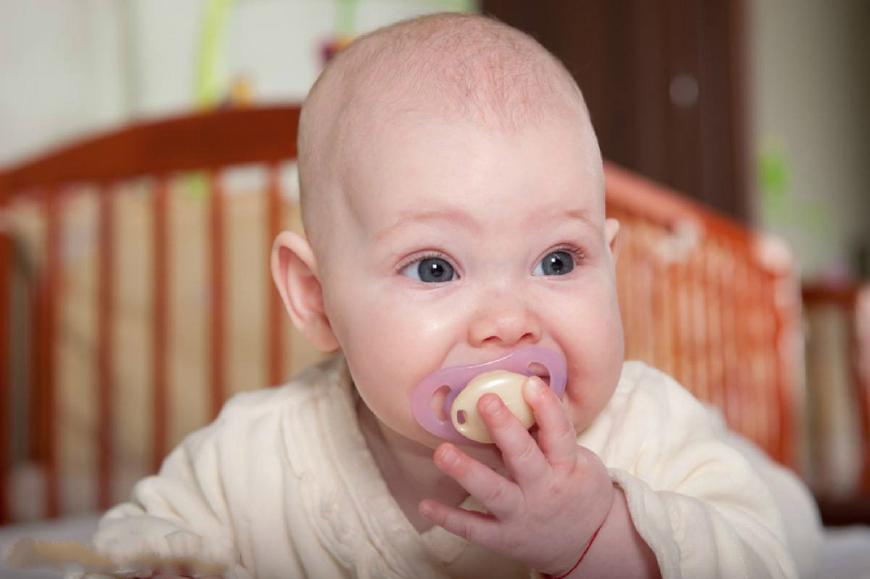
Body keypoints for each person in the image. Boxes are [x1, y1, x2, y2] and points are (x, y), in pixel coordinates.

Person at [81, 13, 821, 579]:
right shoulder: (257, 457)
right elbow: (138, 539)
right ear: (315, 297)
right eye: (436, 268)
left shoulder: (647, 429)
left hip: (751, 496)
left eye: (558, 259)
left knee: (788, 514)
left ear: (611, 264)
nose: (507, 320)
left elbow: (764, 558)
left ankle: (782, 484)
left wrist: (602, 535)